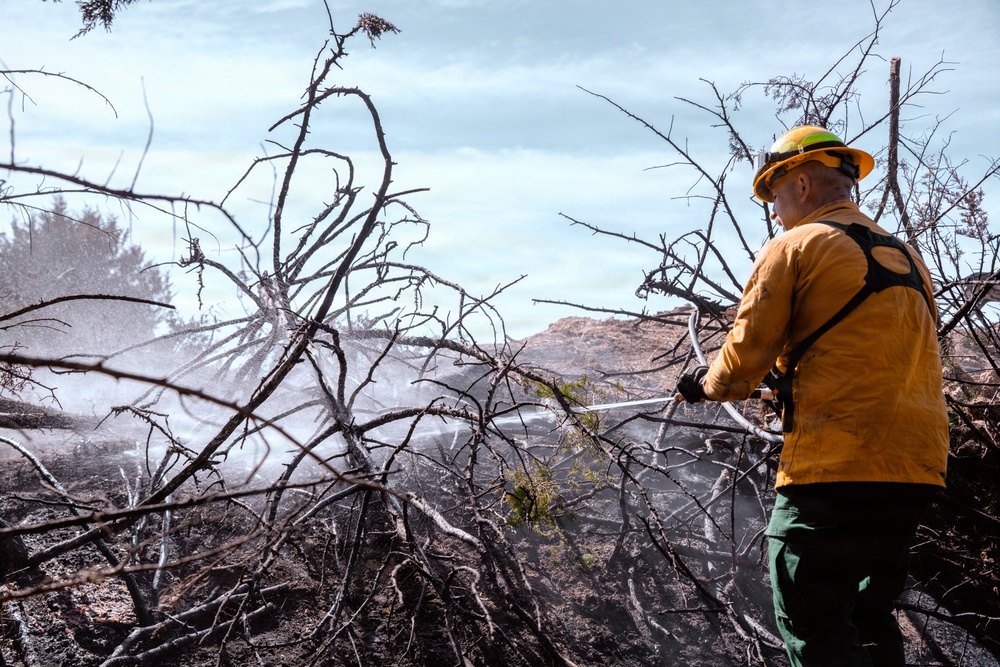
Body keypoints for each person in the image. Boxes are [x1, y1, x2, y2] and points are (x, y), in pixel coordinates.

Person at [675, 125, 949, 667]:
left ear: (801, 185)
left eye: (773, 196)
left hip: (834, 470)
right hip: (914, 473)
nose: (774, 212)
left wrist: (705, 385)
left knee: (814, 622)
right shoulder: (909, 259)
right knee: (869, 618)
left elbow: (740, 364)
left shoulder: (795, 246)